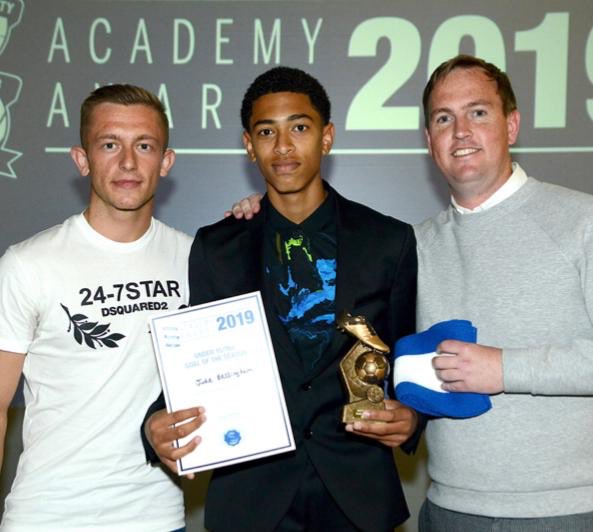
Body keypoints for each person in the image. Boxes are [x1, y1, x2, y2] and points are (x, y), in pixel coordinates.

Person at [143, 66, 421, 531]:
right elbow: (198, 360)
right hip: (251, 497)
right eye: (267, 132)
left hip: (359, 498)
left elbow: (406, 355)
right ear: (249, 145)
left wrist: (413, 417)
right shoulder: (216, 246)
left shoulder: (388, 240)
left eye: (300, 127)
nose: (284, 146)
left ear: (326, 137)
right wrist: (155, 421)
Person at [0, 84, 191, 531]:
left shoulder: (194, 259)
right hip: (47, 517)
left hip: (156, 518)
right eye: (110, 144)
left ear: (165, 161)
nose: (128, 162)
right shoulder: (26, 264)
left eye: (144, 146)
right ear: (82, 159)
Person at [416, 55, 593, 530]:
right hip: (448, 509)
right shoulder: (413, 246)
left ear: (511, 125)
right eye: (443, 118)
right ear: (430, 141)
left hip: (565, 512)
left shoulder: (583, 221)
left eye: (478, 112)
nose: (461, 132)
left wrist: (504, 368)